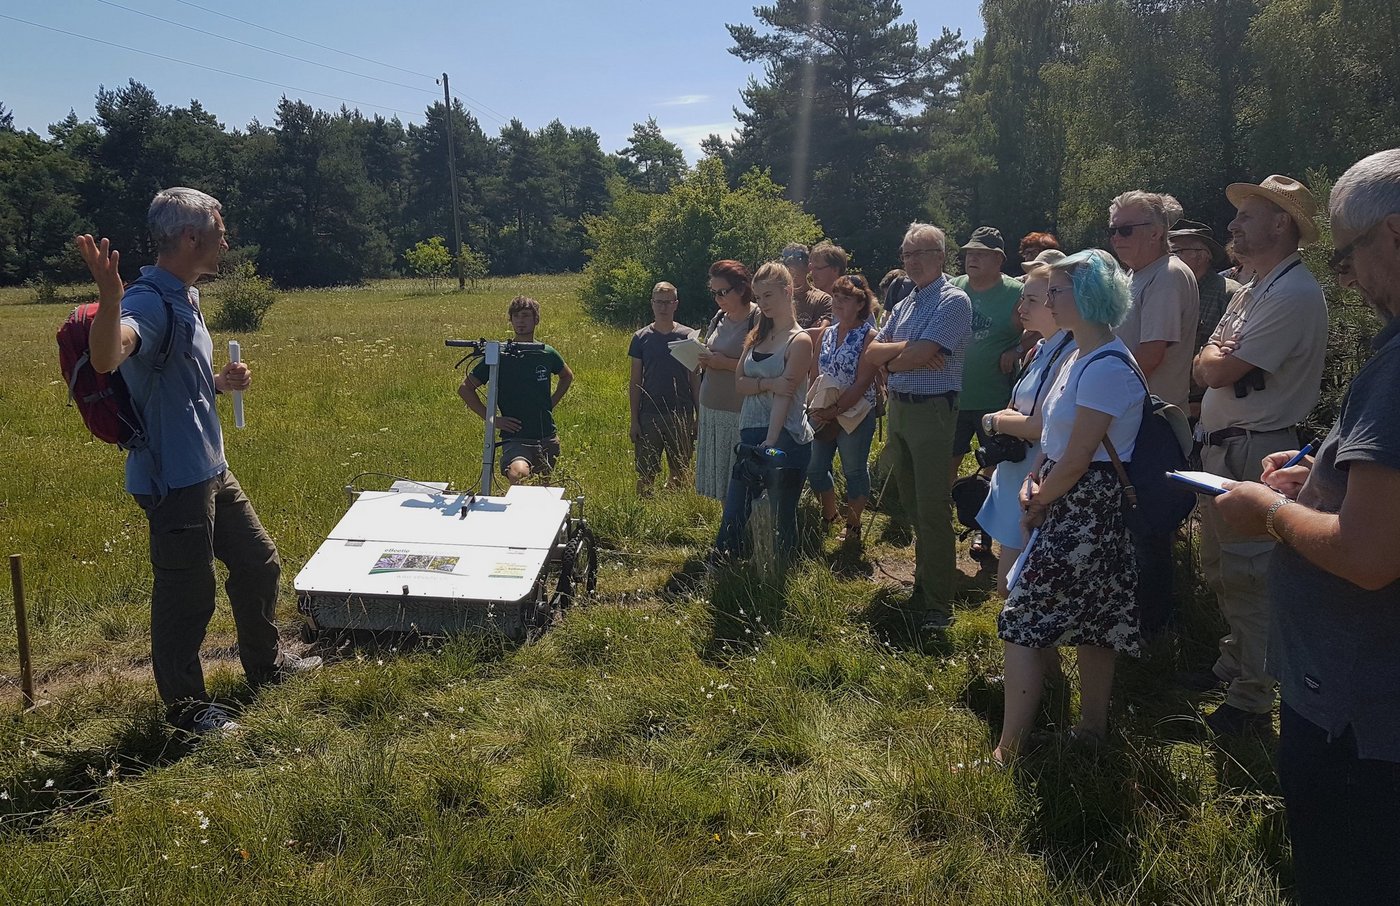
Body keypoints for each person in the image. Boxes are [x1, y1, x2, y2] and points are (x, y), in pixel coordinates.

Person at [1213, 148, 1400, 905]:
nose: (1346, 278)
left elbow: (1369, 555)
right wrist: (1323, 473)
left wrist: (1270, 512)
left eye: (1349, 256)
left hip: (1359, 718)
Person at [74, 187, 320, 737]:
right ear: (191, 237)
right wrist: (110, 299)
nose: (225, 242)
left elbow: (172, 380)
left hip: (211, 468)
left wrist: (218, 382)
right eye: (220, 232)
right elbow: (109, 356)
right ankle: (187, 710)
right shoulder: (147, 302)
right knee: (187, 596)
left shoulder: (185, 296)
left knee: (259, 562)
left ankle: (266, 666)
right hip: (173, 480)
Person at [992, 249, 1145, 765]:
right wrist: (1034, 481)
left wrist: (1040, 498)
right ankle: (1091, 730)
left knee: (1022, 617)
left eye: (1057, 290)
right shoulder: (1080, 356)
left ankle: (1010, 750)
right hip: (1069, 498)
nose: (1048, 299)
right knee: (1095, 619)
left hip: (1086, 507)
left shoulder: (1105, 367)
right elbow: (1056, 441)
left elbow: (1080, 458)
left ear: (1088, 295)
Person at [1189, 176, 1328, 736]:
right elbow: (1206, 358)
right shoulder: (1254, 287)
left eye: (1247, 216)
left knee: (1249, 574)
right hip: (1228, 447)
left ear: (1280, 224)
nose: (1233, 225)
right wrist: (1212, 359)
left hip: (1258, 451)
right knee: (1222, 568)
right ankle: (1237, 664)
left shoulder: (1293, 293)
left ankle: (1252, 698)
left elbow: (1217, 368)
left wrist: (1213, 359)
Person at [863, 223, 973, 631]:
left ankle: (938, 605)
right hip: (901, 410)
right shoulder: (906, 302)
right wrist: (905, 353)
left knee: (932, 507)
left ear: (940, 256)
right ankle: (923, 585)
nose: (911, 262)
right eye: (907, 254)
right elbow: (872, 352)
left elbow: (915, 354)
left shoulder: (954, 300)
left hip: (932, 412)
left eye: (920, 253)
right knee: (911, 504)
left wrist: (898, 358)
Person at [1107, 189, 1200, 635]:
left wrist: (1099, 393)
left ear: (1157, 232)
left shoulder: (1166, 275)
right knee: (1131, 528)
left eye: (1126, 229)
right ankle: (1133, 621)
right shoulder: (1138, 274)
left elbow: (1151, 354)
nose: (1116, 238)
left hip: (1150, 422)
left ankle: (1152, 631)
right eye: (1113, 230)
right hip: (1131, 416)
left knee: (1147, 529)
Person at [978, 261, 1078, 595]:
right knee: (1011, 586)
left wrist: (992, 421)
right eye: (1023, 298)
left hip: (1034, 478)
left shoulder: (1070, 354)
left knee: (1012, 588)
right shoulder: (1041, 348)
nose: (1021, 308)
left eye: (1032, 300)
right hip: (1017, 474)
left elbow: (1039, 426)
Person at [713, 262, 814, 561]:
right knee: (735, 508)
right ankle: (724, 563)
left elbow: (785, 396)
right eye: (759, 296)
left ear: (788, 291)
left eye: (768, 295)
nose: (763, 303)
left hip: (785, 436)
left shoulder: (800, 340)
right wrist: (769, 383)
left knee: (780, 515)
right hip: (750, 431)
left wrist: (770, 441)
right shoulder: (756, 335)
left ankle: (779, 573)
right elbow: (740, 384)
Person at [951, 226, 1027, 560]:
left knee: (993, 470)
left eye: (981, 254)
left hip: (995, 402)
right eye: (969, 253)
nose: (972, 259)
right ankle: (941, 528)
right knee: (946, 463)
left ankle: (984, 535)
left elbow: (1040, 327)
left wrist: (1018, 349)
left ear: (999, 259)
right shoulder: (954, 287)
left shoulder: (1015, 293)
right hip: (953, 396)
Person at [459, 296, 573, 485]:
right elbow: (465, 389)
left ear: (536, 320)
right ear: (510, 320)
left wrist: (551, 403)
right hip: (516, 438)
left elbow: (567, 376)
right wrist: (492, 419)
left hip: (547, 436)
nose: (521, 321)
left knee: (543, 490)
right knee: (519, 474)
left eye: (526, 316)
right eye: (516, 316)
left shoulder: (546, 353)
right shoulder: (500, 355)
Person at [805, 275, 879, 544]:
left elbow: (863, 381)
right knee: (815, 468)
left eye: (845, 299)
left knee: (854, 470)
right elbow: (815, 372)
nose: (837, 303)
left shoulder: (870, 336)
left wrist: (835, 410)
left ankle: (853, 526)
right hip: (823, 411)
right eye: (835, 297)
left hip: (854, 413)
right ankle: (830, 514)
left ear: (860, 304)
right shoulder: (827, 333)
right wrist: (815, 406)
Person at [628, 282, 700, 495]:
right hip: (649, 413)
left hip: (681, 413)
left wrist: (699, 416)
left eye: (668, 302)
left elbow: (695, 379)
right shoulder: (640, 338)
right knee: (645, 473)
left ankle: (674, 507)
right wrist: (634, 420)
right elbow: (635, 381)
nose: (663, 307)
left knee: (680, 471)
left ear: (676, 304)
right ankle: (644, 509)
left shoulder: (687, 336)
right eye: (659, 302)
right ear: (652, 304)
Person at [695, 260, 759, 500]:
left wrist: (724, 364)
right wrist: (704, 358)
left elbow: (761, 367)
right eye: (714, 293)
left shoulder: (758, 318)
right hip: (710, 406)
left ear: (741, 289)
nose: (718, 299)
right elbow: (712, 350)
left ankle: (741, 522)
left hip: (738, 411)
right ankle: (727, 520)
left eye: (723, 292)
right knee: (720, 479)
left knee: (739, 477)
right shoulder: (720, 316)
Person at [1168, 219, 1243, 422]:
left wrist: (1203, 403)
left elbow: (1234, 356)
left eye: (1176, 252)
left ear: (1202, 256)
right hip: (1168, 401)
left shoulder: (1229, 293)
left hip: (1206, 408)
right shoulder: (1168, 291)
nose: (1169, 259)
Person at [781, 243, 834, 330]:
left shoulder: (822, 299)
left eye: (795, 271)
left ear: (808, 268)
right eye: (788, 270)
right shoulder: (778, 298)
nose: (791, 275)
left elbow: (820, 332)